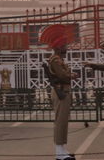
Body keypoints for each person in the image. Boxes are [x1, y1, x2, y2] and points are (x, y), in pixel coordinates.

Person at [40, 25, 77, 160]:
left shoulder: (59, 60)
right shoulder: (55, 60)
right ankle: (59, 153)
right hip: (60, 91)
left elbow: (63, 74)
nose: (66, 47)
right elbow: (62, 76)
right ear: (58, 47)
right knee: (60, 122)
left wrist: (69, 74)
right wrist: (71, 75)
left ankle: (62, 150)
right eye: (64, 45)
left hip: (64, 91)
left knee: (63, 121)